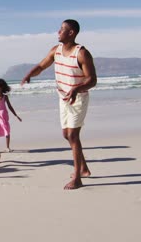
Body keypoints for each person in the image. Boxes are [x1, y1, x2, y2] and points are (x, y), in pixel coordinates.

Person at [21, 19, 97, 190]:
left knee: (73, 136)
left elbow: (92, 80)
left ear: (71, 33)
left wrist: (77, 89)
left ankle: (77, 178)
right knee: (66, 134)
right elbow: (41, 65)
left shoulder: (82, 53)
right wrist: (29, 74)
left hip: (78, 98)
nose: (58, 32)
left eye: (62, 29)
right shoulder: (56, 51)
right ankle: (84, 168)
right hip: (63, 97)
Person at [0, 78, 22, 152]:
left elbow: (10, 106)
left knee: (6, 130)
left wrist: (16, 115)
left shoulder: (5, 97)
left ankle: (7, 147)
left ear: (2, 87)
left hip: (4, 115)